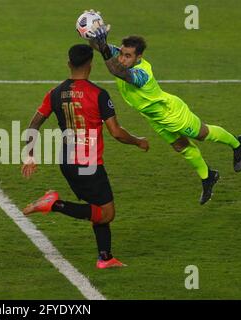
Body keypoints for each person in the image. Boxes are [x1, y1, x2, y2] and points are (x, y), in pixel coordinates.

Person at [90, 20, 241, 205]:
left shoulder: (142, 73)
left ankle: (238, 144)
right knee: (180, 146)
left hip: (172, 113)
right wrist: (92, 35)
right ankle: (208, 176)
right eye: (122, 54)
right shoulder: (120, 56)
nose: (122, 59)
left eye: (128, 56)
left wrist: (106, 50)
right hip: (155, 118)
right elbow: (100, 47)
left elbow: (118, 71)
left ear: (138, 57)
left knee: (203, 134)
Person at [21, 44, 149, 268]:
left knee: (96, 207)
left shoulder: (55, 93)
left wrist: (29, 155)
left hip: (67, 161)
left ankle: (105, 257)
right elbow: (116, 132)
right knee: (107, 213)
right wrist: (138, 141)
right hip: (88, 163)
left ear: (69, 64)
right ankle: (54, 204)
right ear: (90, 64)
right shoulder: (99, 94)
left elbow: (34, 125)